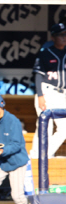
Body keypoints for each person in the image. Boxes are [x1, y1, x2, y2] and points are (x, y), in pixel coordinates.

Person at [29, 23, 66, 159]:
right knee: (45, 127)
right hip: (47, 91)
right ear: (53, 37)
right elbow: (38, 75)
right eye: (61, 35)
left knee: (64, 129)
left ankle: (44, 155)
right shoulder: (45, 53)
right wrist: (40, 95)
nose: (64, 37)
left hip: (62, 94)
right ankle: (35, 156)